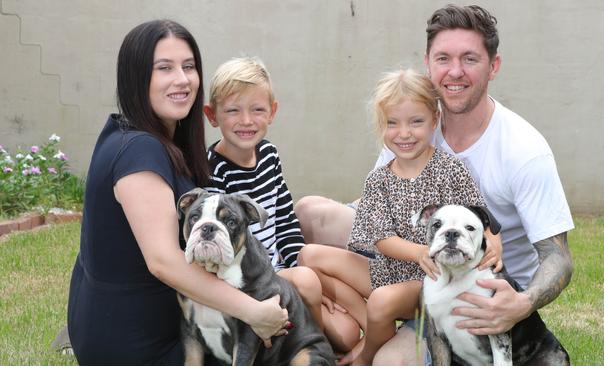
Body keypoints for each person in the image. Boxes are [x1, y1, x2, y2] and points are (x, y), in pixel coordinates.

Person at [296, 4, 574, 365]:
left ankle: (380, 338)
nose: (455, 71)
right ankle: (328, 331)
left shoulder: (523, 149)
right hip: (416, 259)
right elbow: (381, 205)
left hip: (472, 288)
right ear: (428, 63)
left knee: (387, 363)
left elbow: (559, 257)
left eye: (470, 59)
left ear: (494, 66)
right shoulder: (412, 131)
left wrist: (519, 303)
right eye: (444, 58)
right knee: (310, 214)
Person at [66, 20, 288, 366]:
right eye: (164, 68)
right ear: (136, 77)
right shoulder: (138, 150)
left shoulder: (142, 136)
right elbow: (163, 260)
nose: (182, 80)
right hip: (142, 344)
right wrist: (254, 312)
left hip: (153, 322)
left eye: (189, 67)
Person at [299, 69, 502, 366]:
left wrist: (494, 241)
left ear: (435, 119)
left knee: (381, 300)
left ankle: (364, 357)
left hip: (434, 276)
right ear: (381, 126)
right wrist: (417, 251)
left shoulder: (450, 170)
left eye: (415, 122)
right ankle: (368, 331)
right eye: (392, 123)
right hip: (388, 270)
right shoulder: (378, 179)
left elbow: (477, 215)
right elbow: (381, 239)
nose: (403, 133)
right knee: (309, 256)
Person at [201, 56, 329, 331]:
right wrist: (300, 281)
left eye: (257, 109)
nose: (246, 121)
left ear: (272, 111)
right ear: (212, 115)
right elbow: (222, 249)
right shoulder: (213, 169)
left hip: (281, 269)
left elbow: (285, 221)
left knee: (345, 320)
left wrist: (299, 267)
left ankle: (341, 318)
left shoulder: (269, 155)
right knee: (309, 284)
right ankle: (316, 342)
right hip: (248, 280)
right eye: (233, 111)